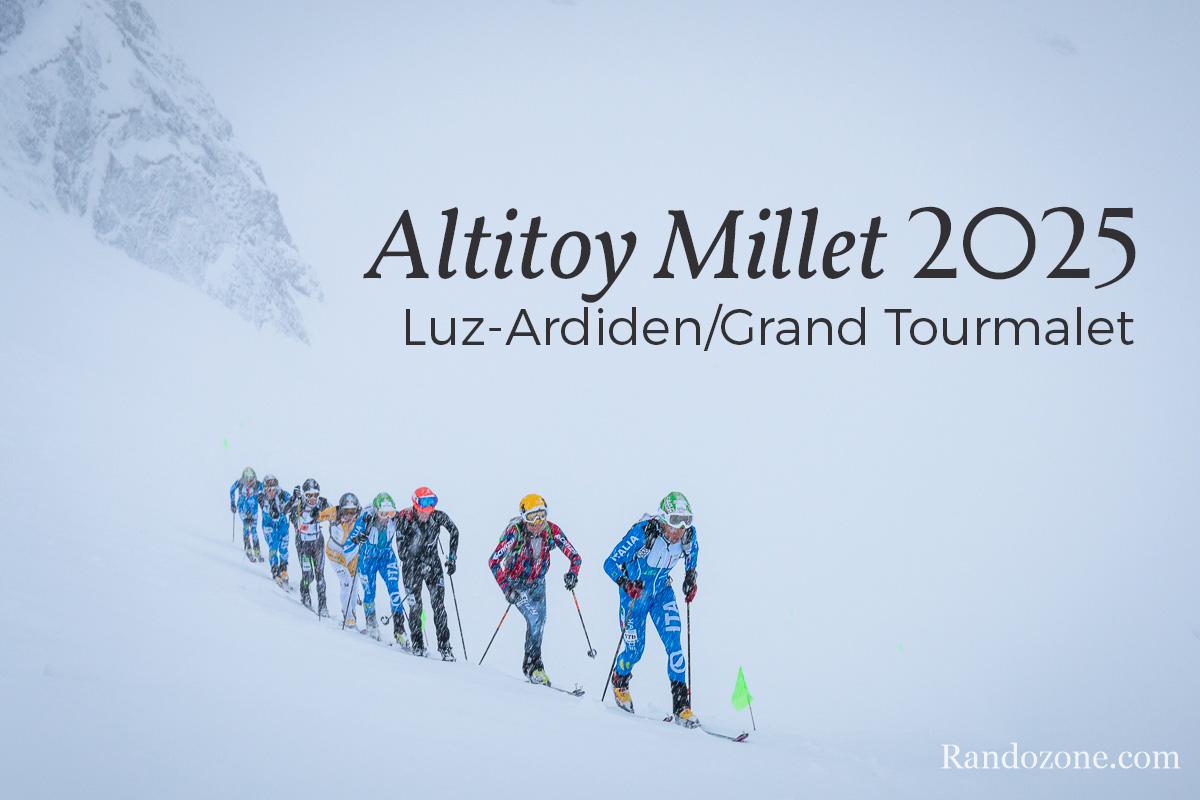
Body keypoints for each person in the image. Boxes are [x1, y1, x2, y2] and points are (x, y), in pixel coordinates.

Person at [603, 491, 700, 727]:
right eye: (674, 523)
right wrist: (626, 583)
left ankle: (682, 707)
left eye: (685, 523)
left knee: (675, 645)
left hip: (661, 594)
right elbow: (610, 563)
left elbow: (692, 558)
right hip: (634, 597)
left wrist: (690, 579)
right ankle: (620, 679)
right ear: (663, 519)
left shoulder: (688, 536)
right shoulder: (643, 532)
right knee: (635, 651)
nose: (679, 531)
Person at [488, 494, 581, 685]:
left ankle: (532, 666)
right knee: (535, 618)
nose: (538, 522)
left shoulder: (551, 530)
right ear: (524, 517)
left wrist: (573, 573)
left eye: (542, 515)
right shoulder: (515, 533)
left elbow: (575, 556)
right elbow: (494, 561)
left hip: (538, 584)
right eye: (532, 517)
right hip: (516, 583)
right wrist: (507, 589)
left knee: (540, 623)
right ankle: (534, 666)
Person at [395, 486, 461, 660]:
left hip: (433, 565)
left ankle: (445, 647)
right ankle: (418, 645)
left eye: (430, 509)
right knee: (416, 607)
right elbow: (402, 553)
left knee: (439, 606)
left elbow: (454, 531)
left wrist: (452, 558)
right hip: (411, 567)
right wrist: (419, 565)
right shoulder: (404, 518)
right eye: (422, 509)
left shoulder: (437, 516)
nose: (426, 513)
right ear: (415, 506)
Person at [349, 493, 409, 646]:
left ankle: (400, 631)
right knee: (369, 593)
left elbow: (410, 518)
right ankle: (372, 625)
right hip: (367, 559)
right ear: (376, 511)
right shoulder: (366, 517)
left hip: (386, 557)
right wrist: (359, 537)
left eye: (390, 513)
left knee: (394, 591)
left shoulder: (395, 519)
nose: (387, 517)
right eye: (383, 513)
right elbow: (352, 537)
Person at [286, 478, 335, 616]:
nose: (313, 498)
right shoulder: (299, 504)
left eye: (315, 495)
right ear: (304, 494)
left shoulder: (321, 503)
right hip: (303, 544)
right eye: (309, 495)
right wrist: (292, 499)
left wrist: (326, 512)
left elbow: (335, 515)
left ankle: (323, 605)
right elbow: (282, 512)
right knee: (308, 575)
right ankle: (305, 594)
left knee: (320, 575)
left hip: (317, 542)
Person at [326, 492, 362, 628]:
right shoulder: (333, 514)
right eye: (346, 512)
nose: (349, 516)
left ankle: (352, 613)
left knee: (354, 584)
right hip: (335, 554)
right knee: (346, 582)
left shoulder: (360, 519)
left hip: (351, 555)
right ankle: (347, 616)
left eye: (352, 512)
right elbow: (316, 515)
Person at [257, 475, 292, 586]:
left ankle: (283, 568)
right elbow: (267, 509)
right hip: (269, 526)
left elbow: (291, 502)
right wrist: (273, 511)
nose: (271, 492)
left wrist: (294, 499)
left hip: (282, 525)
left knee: (284, 547)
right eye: (269, 489)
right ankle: (275, 569)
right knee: (273, 546)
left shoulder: (282, 494)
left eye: (273, 489)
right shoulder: (262, 497)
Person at [229, 466, 264, 563]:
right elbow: (231, 489)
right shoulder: (239, 483)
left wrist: (264, 499)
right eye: (246, 480)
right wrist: (232, 504)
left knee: (254, 529)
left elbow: (266, 489)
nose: (249, 483)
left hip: (254, 509)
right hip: (243, 508)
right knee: (246, 526)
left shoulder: (258, 484)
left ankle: (257, 550)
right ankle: (248, 547)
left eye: (251, 480)